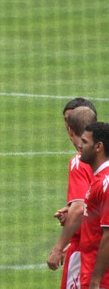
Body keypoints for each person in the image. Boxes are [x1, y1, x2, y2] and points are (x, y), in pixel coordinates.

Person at [47, 102, 97, 288]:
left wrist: (58, 248)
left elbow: (79, 208)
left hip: (86, 249)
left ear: (70, 130)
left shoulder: (78, 162)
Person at [79, 122, 109, 288]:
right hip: (89, 273)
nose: (79, 145)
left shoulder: (106, 182)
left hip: (102, 281)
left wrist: (96, 281)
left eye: (84, 142)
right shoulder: (98, 178)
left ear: (98, 146)